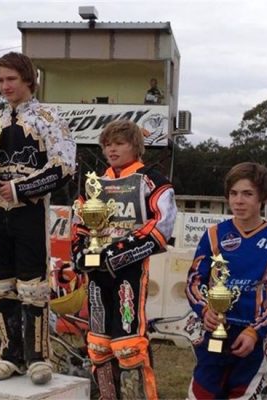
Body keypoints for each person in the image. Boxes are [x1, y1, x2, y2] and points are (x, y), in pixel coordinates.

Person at [0, 52, 76, 384]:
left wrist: (18, 189)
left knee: (33, 286)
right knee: (1, 284)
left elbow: (64, 166)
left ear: (28, 79)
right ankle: (10, 352)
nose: (5, 86)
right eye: (0, 80)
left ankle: (38, 356)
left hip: (30, 211)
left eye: (11, 79)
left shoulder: (49, 117)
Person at [72, 119, 177, 399]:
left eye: (119, 143)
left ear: (136, 146)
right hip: (95, 274)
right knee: (97, 345)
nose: (112, 150)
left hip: (129, 272)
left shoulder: (151, 179)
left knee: (129, 345)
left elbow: (162, 226)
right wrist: (80, 253)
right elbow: (79, 223)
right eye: (107, 145)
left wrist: (119, 252)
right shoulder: (95, 182)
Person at [186, 162, 267, 399]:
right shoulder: (214, 234)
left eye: (247, 194)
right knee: (201, 393)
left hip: (253, 338)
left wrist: (256, 332)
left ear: (262, 197)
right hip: (214, 331)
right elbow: (194, 280)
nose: (239, 201)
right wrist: (205, 310)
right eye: (234, 193)